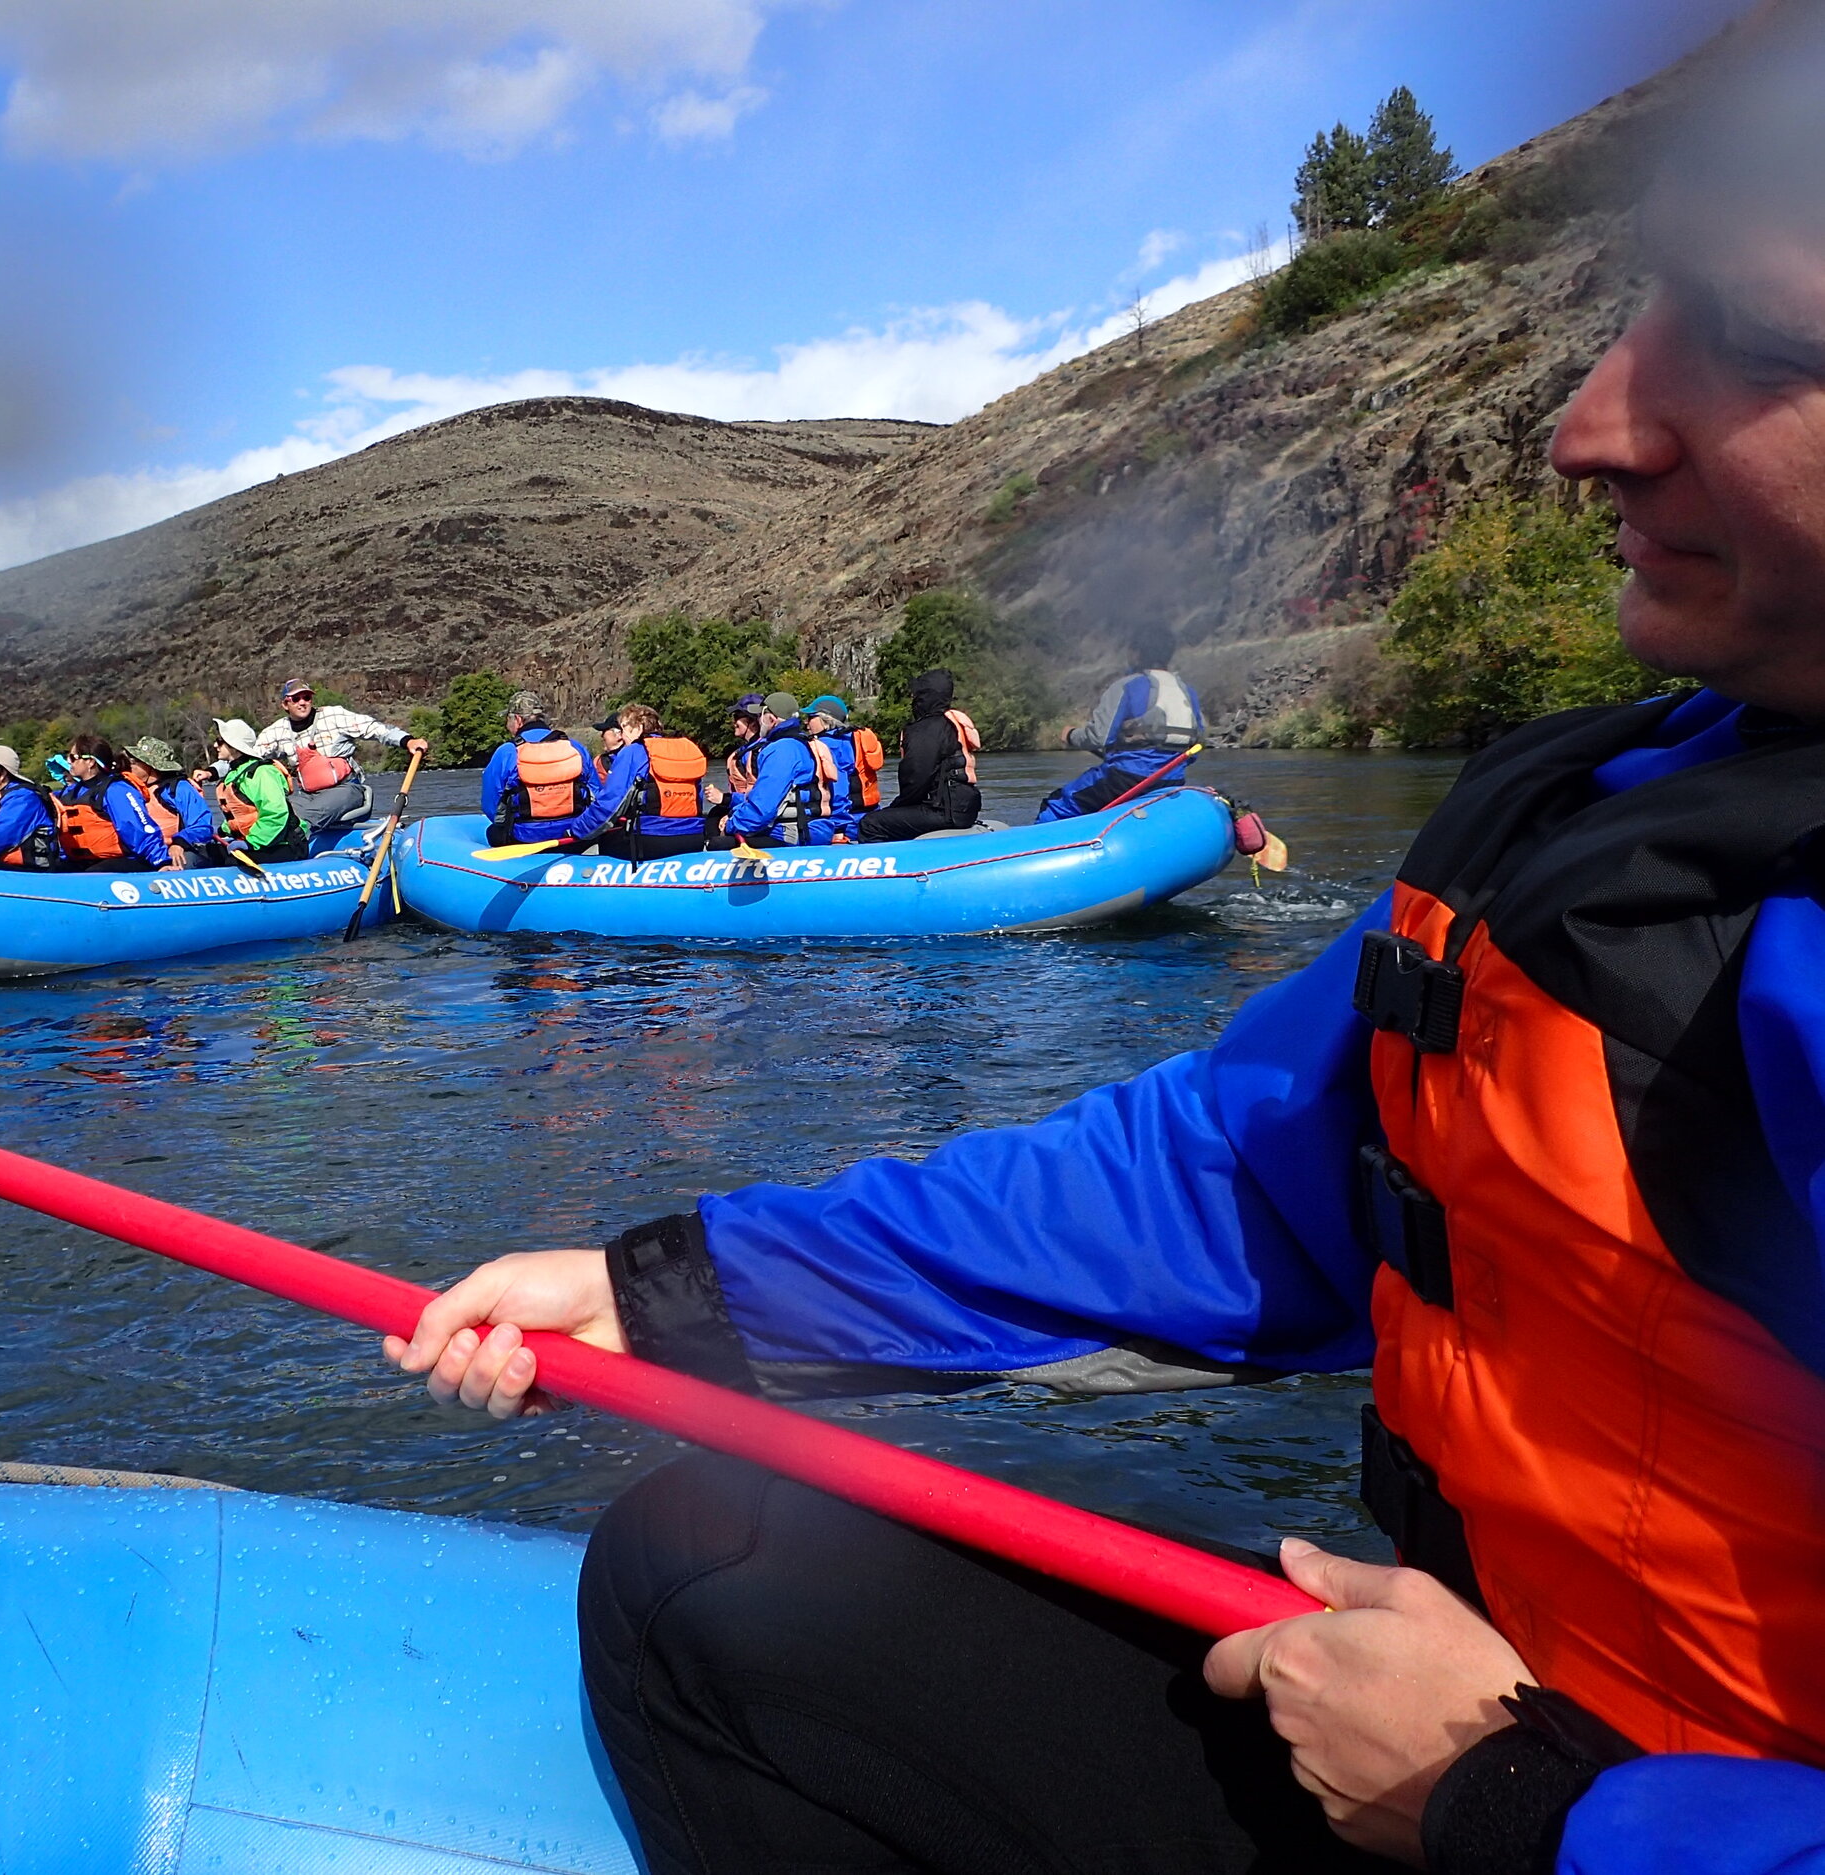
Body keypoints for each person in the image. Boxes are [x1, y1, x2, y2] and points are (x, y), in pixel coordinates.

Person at [387, 28, 1825, 1866]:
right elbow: (1231, 1170)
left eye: (1763, 347)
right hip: (1517, 1713)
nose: (1593, 428)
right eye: (1643, 316)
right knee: (713, 1551)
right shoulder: (1621, 806)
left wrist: (1519, 1807)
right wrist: (667, 1290)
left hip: (1583, 1803)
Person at [1035, 635, 1204, 822]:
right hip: (1172, 781)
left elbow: (1099, 737)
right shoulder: (1187, 691)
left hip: (1124, 779)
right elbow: (1194, 749)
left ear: (1136, 654)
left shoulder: (1126, 686)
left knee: (1056, 805)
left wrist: (1071, 736)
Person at [254, 679, 427, 834]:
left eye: (307, 697)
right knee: (276, 813)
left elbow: (374, 728)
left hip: (346, 789)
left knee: (309, 814)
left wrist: (407, 741)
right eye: (296, 699)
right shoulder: (276, 731)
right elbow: (251, 756)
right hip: (308, 795)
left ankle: (293, 845)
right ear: (285, 704)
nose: (302, 703)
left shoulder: (333, 716)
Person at [553, 704, 710, 862]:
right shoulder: (684, 751)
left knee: (606, 837)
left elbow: (609, 804)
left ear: (637, 728)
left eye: (623, 729)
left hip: (651, 840)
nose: (621, 736)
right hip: (693, 838)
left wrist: (575, 831)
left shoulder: (633, 752)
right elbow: (698, 798)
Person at [856, 668, 982, 842]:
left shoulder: (926, 729)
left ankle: (895, 868)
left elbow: (916, 778)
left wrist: (896, 807)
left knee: (871, 824)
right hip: (966, 808)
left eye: (915, 695)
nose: (913, 700)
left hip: (943, 811)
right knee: (897, 816)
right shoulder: (950, 724)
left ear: (924, 697)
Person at [482, 690, 595, 844]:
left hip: (524, 837)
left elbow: (491, 806)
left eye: (508, 720)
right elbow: (597, 794)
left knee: (492, 832)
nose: (507, 725)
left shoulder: (507, 752)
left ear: (518, 719)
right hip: (573, 835)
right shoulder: (575, 748)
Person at [49, 734, 175, 871]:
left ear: (90, 762)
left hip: (120, 861)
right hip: (82, 862)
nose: (68, 761)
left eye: (73, 758)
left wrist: (162, 861)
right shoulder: (70, 793)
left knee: (91, 875)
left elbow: (137, 828)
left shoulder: (116, 790)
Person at [719, 692, 824, 848]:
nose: (758, 721)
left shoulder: (781, 750)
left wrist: (730, 824)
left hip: (791, 833)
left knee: (717, 842)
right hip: (814, 828)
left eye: (761, 715)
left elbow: (762, 809)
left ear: (771, 720)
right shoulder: (805, 741)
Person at [211, 718, 310, 864]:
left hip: (285, 846)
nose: (215, 745)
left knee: (231, 862)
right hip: (257, 842)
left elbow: (275, 813)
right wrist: (221, 831)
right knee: (209, 852)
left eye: (220, 741)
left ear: (234, 746)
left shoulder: (262, 773)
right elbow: (242, 815)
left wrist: (251, 843)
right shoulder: (235, 774)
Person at [119, 737, 223, 868]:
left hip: (180, 849)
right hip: (147, 852)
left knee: (184, 861)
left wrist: (179, 843)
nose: (130, 766)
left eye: (135, 762)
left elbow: (202, 826)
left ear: (151, 766)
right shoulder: (127, 789)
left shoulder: (179, 789)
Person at [800, 695, 880, 847]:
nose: (806, 722)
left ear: (826, 719)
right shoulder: (853, 738)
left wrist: (838, 829)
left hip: (848, 824)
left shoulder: (828, 745)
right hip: (869, 816)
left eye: (811, 717)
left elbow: (839, 789)